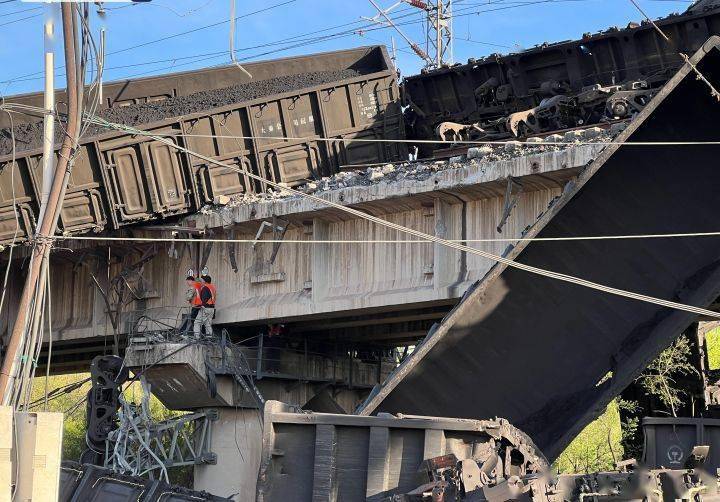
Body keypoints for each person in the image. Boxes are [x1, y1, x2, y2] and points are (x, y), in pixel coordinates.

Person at [194, 272, 216, 338]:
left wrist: (201, 305)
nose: (201, 281)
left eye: (202, 280)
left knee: (197, 322)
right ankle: (209, 338)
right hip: (211, 308)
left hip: (205, 308)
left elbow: (205, 298)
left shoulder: (205, 288)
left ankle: (196, 338)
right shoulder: (212, 287)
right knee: (208, 324)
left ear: (204, 281)